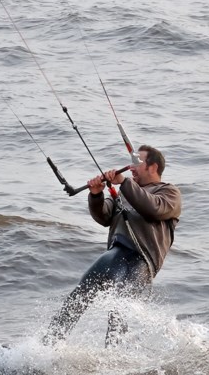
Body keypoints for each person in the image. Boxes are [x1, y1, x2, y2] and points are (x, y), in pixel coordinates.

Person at [45, 144, 181, 345]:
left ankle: (114, 361)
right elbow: (105, 216)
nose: (131, 167)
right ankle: (47, 347)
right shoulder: (127, 192)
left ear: (153, 167)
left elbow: (153, 208)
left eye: (137, 162)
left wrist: (124, 182)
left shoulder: (169, 193)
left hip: (142, 262)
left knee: (119, 313)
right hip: (115, 254)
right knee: (79, 295)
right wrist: (96, 194)